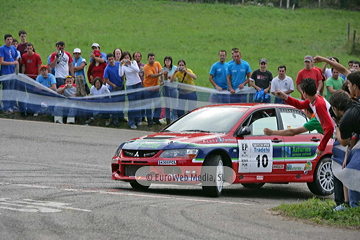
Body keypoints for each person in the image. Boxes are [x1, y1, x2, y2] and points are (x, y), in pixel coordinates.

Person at [274, 78, 334, 156]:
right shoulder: (314, 99)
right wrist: (285, 96)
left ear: (304, 93)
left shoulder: (318, 105)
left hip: (338, 136)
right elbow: (300, 105)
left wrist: (321, 147)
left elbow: (330, 128)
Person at [330, 89, 360, 208]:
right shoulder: (355, 105)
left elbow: (344, 142)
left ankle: (354, 207)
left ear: (335, 108)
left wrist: (337, 126)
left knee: (351, 173)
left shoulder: (346, 119)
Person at [119, 51, 143, 129]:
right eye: (125, 58)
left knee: (138, 103)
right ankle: (131, 122)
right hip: (130, 86)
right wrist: (120, 65)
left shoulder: (134, 63)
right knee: (131, 104)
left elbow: (137, 70)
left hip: (138, 84)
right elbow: (121, 74)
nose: (127, 59)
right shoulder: (123, 66)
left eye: (128, 57)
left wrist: (130, 64)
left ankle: (138, 119)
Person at [103, 53, 125, 126]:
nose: (111, 61)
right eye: (109, 59)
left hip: (121, 86)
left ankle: (121, 117)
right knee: (115, 104)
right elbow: (105, 79)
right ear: (107, 60)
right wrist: (112, 85)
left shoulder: (119, 64)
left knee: (122, 103)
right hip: (114, 88)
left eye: (112, 59)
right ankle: (115, 119)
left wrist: (123, 80)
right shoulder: (107, 69)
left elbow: (123, 72)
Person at [0, 34, 19, 114]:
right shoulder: (2, 49)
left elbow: (15, 58)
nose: (9, 41)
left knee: (12, 90)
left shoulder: (13, 48)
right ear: (5, 40)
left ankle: (12, 105)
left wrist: (16, 66)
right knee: (6, 90)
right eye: (8, 39)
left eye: (11, 39)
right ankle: (6, 107)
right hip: (5, 73)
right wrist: (12, 63)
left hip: (12, 72)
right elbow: (1, 62)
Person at [143, 53, 163, 127]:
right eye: (150, 59)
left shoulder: (157, 64)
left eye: (153, 58)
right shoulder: (146, 67)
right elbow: (152, 76)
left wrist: (162, 80)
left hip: (156, 88)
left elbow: (161, 72)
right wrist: (160, 74)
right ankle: (149, 120)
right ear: (147, 59)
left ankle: (156, 118)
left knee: (158, 105)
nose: (152, 60)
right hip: (148, 88)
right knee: (148, 106)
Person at [162, 56, 178, 124]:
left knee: (174, 103)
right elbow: (162, 78)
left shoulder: (175, 68)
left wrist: (169, 76)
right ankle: (168, 119)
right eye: (166, 60)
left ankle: (174, 118)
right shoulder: (162, 69)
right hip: (166, 88)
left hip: (173, 88)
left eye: (169, 60)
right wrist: (168, 76)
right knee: (167, 104)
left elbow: (175, 78)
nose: (167, 61)